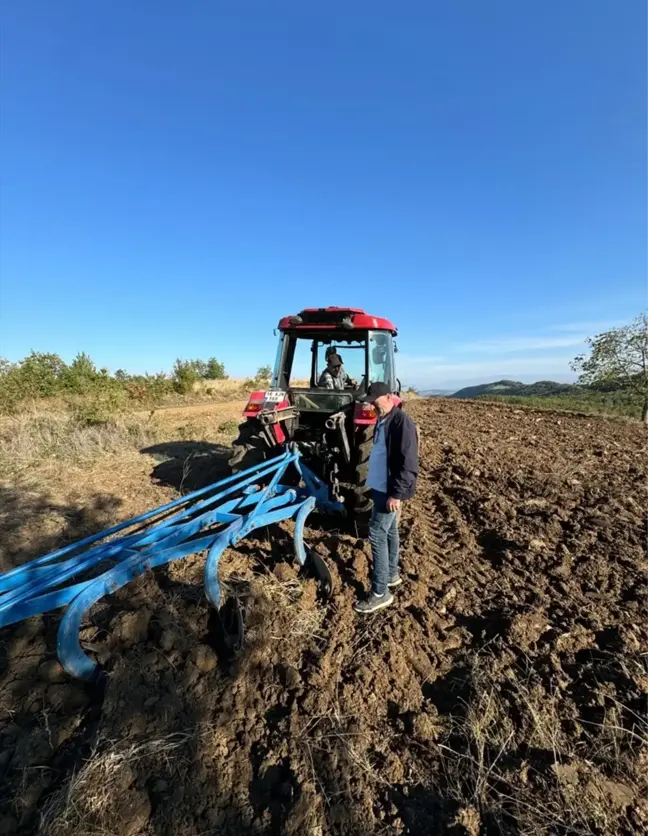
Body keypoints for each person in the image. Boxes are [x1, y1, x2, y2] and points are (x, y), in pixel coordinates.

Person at [354, 382, 419, 614]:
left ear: (389, 396)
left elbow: (408, 461)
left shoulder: (401, 422)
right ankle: (391, 574)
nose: (372, 403)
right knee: (390, 531)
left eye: (375, 399)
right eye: (370, 400)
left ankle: (380, 593)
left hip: (389, 489)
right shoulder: (382, 419)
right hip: (381, 486)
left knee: (376, 534)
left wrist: (396, 493)